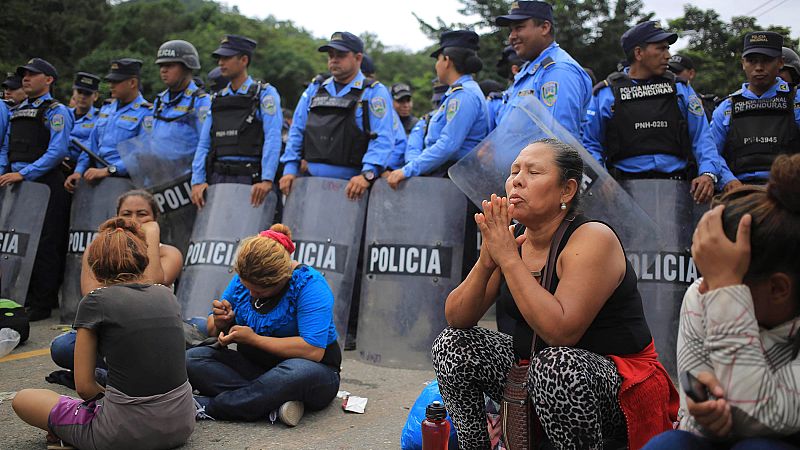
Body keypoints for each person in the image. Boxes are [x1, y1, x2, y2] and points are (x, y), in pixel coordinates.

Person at [432, 138, 677, 449]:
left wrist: (508, 259)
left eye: (534, 172)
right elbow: (457, 317)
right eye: (514, 171)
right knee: (453, 345)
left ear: (567, 190)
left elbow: (561, 333)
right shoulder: (514, 238)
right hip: (536, 368)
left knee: (556, 365)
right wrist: (487, 260)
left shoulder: (592, 238)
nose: (517, 179)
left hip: (614, 381)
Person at [642, 154, 800, 450]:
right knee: (668, 444)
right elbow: (694, 414)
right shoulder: (701, 292)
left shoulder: (718, 289)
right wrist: (707, 413)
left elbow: (766, 414)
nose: (704, 292)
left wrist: (726, 291)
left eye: (723, 279)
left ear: (779, 288)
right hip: (724, 439)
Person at [12, 217, 195, 450]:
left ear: (94, 264)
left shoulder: (95, 301)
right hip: (181, 424)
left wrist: (107, 405)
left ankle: (74, 434)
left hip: (122, 433)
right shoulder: (166, 294)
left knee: (24, 399)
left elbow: (85, 387)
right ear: (143, 258)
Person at [186, 224, 341, 425]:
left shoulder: (310, 285)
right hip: (256, 369)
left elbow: (313, 350)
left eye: (259, 292)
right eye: (247, 287)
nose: (251, 294)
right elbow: (212, 328)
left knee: (295, 373)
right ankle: (270, 402)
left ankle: (210, 407)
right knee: (193, 359)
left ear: (282, 279)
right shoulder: (245, 277)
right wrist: (220, 322)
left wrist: (254, 339)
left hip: (312, 373)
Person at [48, 189, 183, 388]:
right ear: (117, 217)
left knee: (198, 331)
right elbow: (93, 295)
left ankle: (108, 375)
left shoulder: (169, 253)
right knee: (61, 347)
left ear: (155, 218)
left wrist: (151, 238)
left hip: (154, 334)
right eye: (126, 214)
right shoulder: (96, 250)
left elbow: (152, 283)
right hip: (110, 334)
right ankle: (120, 373)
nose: (134, 220)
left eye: (142, 214)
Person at [582, 21, 720, 204]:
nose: (668, 56)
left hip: (677, 192)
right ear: (638, 53)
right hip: (624, 194)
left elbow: (702, 137)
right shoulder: (606, 94)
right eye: (661, 49)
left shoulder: (680, 89)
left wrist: (708, 173)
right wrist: (601, 177)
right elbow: (590, 145)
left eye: (668, 49)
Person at [279, 31, 394, 200]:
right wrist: (290, 169)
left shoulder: (374, 92)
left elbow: (382, 139)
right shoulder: (315, 89)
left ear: (358, 58)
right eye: (331, 55)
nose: (334, 59)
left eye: (341, 55)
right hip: (310, 184)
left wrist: (366, 175)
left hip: (352, 188)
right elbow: (297, 130)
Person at [0, 58, 73, 321]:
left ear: (49, 79)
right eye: (24, 75)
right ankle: (23, 297)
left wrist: (24, 173)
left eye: (32, 74)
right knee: (19, 242)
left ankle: (43, 302)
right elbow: (7, 147)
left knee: (46, 243)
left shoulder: (56, 111)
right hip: (18, 183)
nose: (26, 79)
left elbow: (57, 151)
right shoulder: (17, 111)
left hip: (45, 183)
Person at [386, 30, 489, 187]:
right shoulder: (458, 93)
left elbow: (448, 144)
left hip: (454, 178)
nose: (437, 65)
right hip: (447, 174)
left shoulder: (464, 95)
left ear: (446, 61)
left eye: (438, 59)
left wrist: (408, 170)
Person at [190, 35, 282, 209]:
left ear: (244, 60)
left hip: (252, 181)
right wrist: (197, 181)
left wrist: (267, 180)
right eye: (219, 58)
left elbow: (273, 137)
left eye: (227, 58)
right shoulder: (217, 98)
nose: (221, 63)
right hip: (219, 179)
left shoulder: (263, 94)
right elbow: (204, 144)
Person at [711, 32, 800, 191]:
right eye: (752, 61)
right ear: (743, 63)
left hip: (789, 194)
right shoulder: (726, 107)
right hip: (741, 193)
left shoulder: (796, 100)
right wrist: (728, 181)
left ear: (780, 63)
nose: (758, 68)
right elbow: (711, 153)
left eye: (766, 60)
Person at [492, 1, 592, 138]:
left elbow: (557, 142)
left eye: (519, 28)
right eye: (511, 30)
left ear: (544, 28)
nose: (512, 36)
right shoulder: (529, 70)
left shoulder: (558, 71)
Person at [64, 59, 154, 192]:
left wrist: (110, 170)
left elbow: (143, 154)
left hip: (126, 183)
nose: (111, 85)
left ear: (133, 83)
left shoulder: (147, 113)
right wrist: (79, 171)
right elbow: (91, 144)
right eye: (111, 81)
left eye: (116, 82)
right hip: (97, 180)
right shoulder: (107, 108)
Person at [152, 40, 211, 167]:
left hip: (184, 178)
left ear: (187, 67)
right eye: (161, 66)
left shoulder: (200, 101)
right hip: (157, 175)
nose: (163, 70)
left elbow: (205, 145)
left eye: (170, 65)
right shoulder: (159, 101)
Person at [65, 72, 101, 175]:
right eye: (79, 92)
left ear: (95, 96)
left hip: (84, 169)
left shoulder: (100, 118)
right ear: (73, 93)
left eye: (87, 93)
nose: (82, 96)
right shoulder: (63, 114)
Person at [668, 54, 717, 121]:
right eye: (669, 72)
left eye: (677, 72)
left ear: (691, 73)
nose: (673, 76)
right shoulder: (661, 99)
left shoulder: (707, 103)